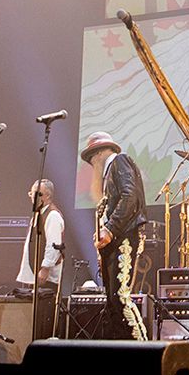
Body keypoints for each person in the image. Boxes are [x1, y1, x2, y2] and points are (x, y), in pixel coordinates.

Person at [82, 131, 149, 341]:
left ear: (100, 152)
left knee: (120, 297)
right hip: (116, 239)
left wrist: (109, 229)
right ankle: (121, 351)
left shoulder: (119, 161)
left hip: (124, 238)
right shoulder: (110, 172)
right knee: (112, 300)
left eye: (92, 157)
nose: (92, 163)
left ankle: (141, 349)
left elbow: (130, 196)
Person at [15, 179, 66, 339]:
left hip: (47, 278)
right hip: (36, 276)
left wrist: (45, 268)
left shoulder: (52, 215)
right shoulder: (39, 214)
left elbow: (54, 245)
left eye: (38, 194)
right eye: (32, 193)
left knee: (43, 319)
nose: (33, 197)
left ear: (47, 196)